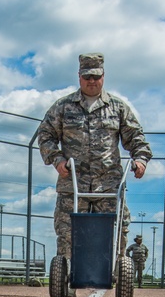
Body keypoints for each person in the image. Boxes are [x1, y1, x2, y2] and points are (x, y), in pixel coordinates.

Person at [37, 52, 152, 266]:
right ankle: (67, 276)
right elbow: (45, 136)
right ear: (79, 76)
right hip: (72, 183)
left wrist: (141, 159)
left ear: (103, 76)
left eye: (96, 77)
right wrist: (57, 159)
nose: (92, 81)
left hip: (108, 184)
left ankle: (115, 271)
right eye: (87, 76)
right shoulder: (63, 107)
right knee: (67, 233)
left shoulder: (118, 108)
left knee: (116, 230)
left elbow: (137, 138)